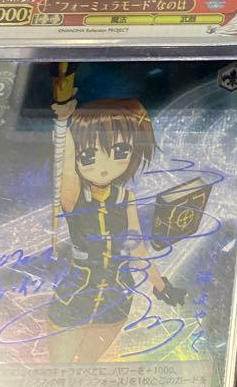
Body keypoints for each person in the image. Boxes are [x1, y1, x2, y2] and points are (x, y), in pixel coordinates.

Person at [47, 93, 184, 363]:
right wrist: (63, 124)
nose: (103, 167)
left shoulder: (125, 197)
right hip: (74, 296)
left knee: (86, 369)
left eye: (120, 151)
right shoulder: (73, 195)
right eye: (89, 155)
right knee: (58, 372)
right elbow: (67, 169)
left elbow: (136, 246)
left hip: (116, 298)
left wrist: (161, 285)